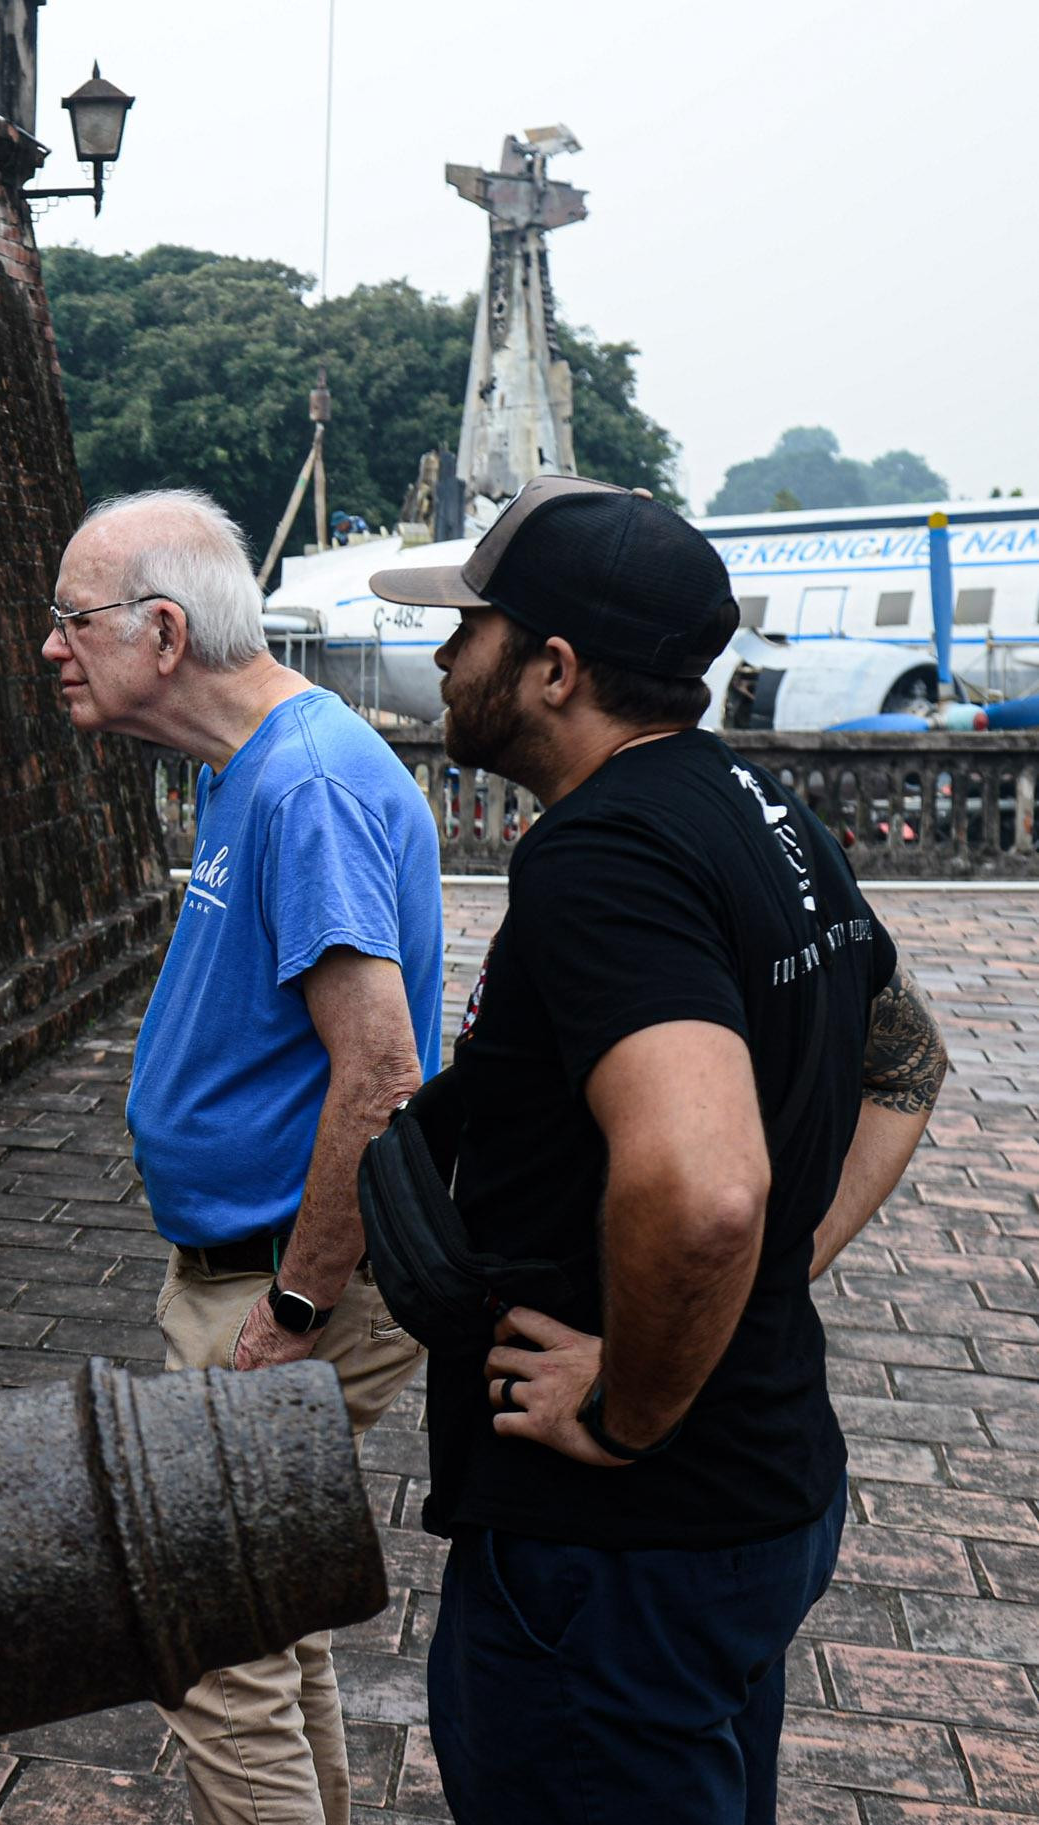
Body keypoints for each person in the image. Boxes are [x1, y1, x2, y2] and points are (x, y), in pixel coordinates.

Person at [371, 476, 948, 1823]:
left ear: (553, 668)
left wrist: (630, 1401)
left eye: (470, 629)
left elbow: (700, 1189)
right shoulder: (759, 812)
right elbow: (905, 1062)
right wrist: (765, 1277)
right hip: (759, 1485)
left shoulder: (603, 854)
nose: (446, 658)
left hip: (618, 1546)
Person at [45, 489, 444, 1825]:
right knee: (265, 1623)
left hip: (284, 1278)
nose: (49, 646)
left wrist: (294, 1304)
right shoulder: (255, 766)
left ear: (161, 632)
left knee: (210, 1643)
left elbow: (379, 1069)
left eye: (70, 619)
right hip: (256, 1264)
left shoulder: (305, 780)